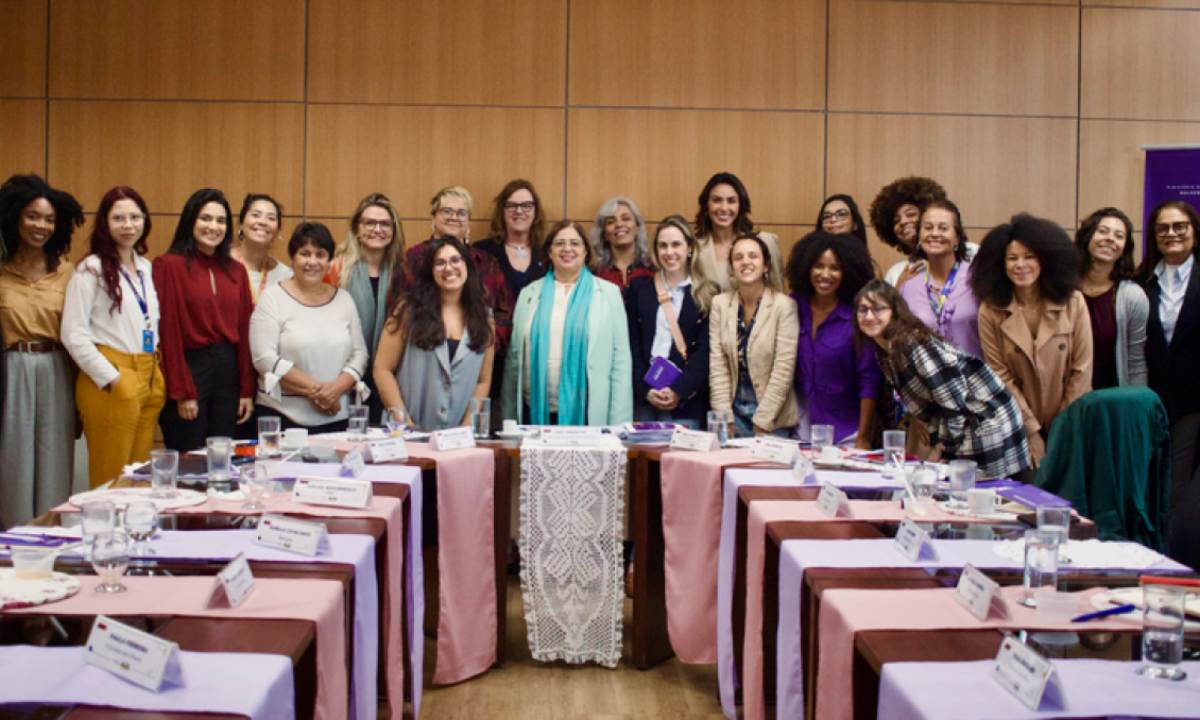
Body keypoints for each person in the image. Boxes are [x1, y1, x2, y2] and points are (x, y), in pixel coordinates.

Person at [853, 280, 1030, 480]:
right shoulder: (885, 351)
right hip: (961, 422)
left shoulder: (914, 345)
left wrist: (943, 449)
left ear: (893, 311)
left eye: (878, 309)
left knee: (973, 495)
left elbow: (955, 405)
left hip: (984, 419)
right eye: (862, 310)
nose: (869, 316)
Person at [62, 186, 167, 489]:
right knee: (112, 478)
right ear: (105, 223)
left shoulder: (145, 267)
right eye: (118, 218)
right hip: (113, 375)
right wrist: (110, 378)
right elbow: (73, 333)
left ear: (145, 221)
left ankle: (133, 535)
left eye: (135, 217)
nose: (128, 225)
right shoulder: (90, 269)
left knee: (139, 476)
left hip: (148, 371)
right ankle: (104, 536)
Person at [972, 214, 1093, 468]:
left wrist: (1062, 429)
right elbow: (1000, 377)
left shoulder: (1073, 302)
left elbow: (1081, 372)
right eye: (1012, 258)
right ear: (1000, 264)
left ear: (1045, 260)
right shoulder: (990, 310)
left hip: (1072, 422)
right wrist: (1031, 431)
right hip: (1016, 426)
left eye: (1029, 256)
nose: (1020, 265)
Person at [0, 174, 84, 529]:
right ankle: (10, 554)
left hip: (57, 368)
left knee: (54, 464)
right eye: (33, 216)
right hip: (10, 370)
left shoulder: (68, 274)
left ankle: (50, 554)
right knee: (12, 465)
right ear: (15, 216)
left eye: (50, 219)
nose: (41, 226)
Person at [153, 188, 255, 452]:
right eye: (205, 218)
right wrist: (182, 390)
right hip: (190, 368)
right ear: (190, 221)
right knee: (190, 459)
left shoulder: (236, 271)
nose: (214, 227)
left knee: (223, 458)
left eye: (221, 221)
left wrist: (246, 389)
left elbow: (245, 334)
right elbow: (167, 333)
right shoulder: (168, 266)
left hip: (228, 371)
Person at [502, 220, 632, 425]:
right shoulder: (529, 294)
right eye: (560, 243)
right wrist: (508, 418)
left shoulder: (608, 294)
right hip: (535, 411)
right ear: (550, 252)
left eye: (575, 243)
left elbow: (621, 362)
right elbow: (513, 361)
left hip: (590, 414)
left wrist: (619, 424)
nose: (567, 249)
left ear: (585, 252)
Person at [250, 222, 368, 432]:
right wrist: (320, 393)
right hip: (282, 417)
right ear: (292, 258)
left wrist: (335, 391)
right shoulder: (272, 298)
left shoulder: (344, 299)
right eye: (305, 253)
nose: (312, 262)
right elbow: (264, 358)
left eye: (320, 255)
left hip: (339, 415)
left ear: (329, 261)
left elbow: (360, 354)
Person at [1135, 200, 1200, 564]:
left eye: (1180, 226)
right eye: (1164, 228)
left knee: (1178, 488)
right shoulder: (1139, 282)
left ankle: (1172, 562)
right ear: (1154, 236)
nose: (1172, 234)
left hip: (1193, 402)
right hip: (1148, 398)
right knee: (1146, 482)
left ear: (1193, 230)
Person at [375, 236, 495, 430]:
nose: (449, 268)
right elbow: (382, 369)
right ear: (430, 272)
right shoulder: (408, 311)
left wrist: (467, 427)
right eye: (439, 263)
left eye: (455, 260)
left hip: (458, 437)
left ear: (467, 266)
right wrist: (402, 421)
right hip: (408, 432)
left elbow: (483, 380)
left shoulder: (485, 317)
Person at [784, 231, 880, 448]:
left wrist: (864, 439)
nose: (825, 274)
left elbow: (869, 381)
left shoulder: (858, 316)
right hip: (801, 428)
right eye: (818, 266)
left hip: (846, 432)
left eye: (834, 268)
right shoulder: (793, 306)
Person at [626, 216, 719, 428]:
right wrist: (645, 390)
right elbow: (632, 343)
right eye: (663, 245)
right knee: (642, 460)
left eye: (676, 244)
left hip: (687, 399)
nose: (669, 252)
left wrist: (679, 390)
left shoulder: (709, 293)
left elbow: (705, 350)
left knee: (682, 459)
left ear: (689, 248)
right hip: (646, 396)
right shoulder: (639, 289)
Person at [325, 192, 405, 425]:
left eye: (384, 224)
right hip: (342, 374)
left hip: (392, 374)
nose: (377, 229)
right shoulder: (336, 268)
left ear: (394, 230)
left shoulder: (403, 272)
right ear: (357, 229)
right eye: (369, 223)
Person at [405, 186, 513, 356]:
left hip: (478, 355)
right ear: (433, 216)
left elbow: (505, 313)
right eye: (447, 211)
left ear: (468, 221)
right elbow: (398, 311)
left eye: (462, 213)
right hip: (422, 351)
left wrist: (486, 344)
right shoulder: (413, 258)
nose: (454, 217)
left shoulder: (487, 262)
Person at [709, 234, 799, 436]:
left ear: (766, 266)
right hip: (733, 414)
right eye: (738, 257)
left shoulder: (784, 306)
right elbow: (718, 365)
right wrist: (724, 418)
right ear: (731, 268)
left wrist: (763, 421)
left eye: (753, 256)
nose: (746, 262)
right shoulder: (720, 305)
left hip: (774, 418)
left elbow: (783, 370)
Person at [898, 200, 983, 358]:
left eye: (943, 228)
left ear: (957, 238)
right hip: (930, 381)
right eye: (928, 227)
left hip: (975, 379)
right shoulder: (909, 287)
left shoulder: (977, 279)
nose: (935, 234)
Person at [1074, 207, 1148, 389]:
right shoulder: (1062, 288)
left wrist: (1136, 405)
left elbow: (1136, 362)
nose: (1110, 239)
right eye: (1103, 231)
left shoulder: (1133, 296)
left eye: (1119, 235)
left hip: (1110, 396)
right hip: (1064, 395)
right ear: (1087, 237)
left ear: (1124, 249)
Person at [692, 172, 784, 291]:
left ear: (740, 205)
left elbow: (778, 291)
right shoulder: (694, 248)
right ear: (706, 205)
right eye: (716, 200)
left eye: (731, 201)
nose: (724, 208)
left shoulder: (766, 242)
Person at [867, 176, 949, 286]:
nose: (903, 222)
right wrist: (899, 291)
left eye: (911, 214)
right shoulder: (895, 273)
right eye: (896, 220)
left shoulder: (966, 254)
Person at [475, 179, 548, 300]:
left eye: (527, 206)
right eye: (511, 205)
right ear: (501, 213)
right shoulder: (483, 251)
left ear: (536, 213)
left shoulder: (547, 253)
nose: (519, 211)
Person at [232, 193, 292, 306]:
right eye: (256, 215)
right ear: (241, 223)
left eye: (271, 218)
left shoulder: (285, 276)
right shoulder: (219, 264)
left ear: (277, 230)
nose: (262, 222)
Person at [590, 196, 654, 293]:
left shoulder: (653, 268)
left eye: (626, 219)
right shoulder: (593, 274)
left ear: (637, 227)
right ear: (604, 233)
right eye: (611, 222)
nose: (619, 224)